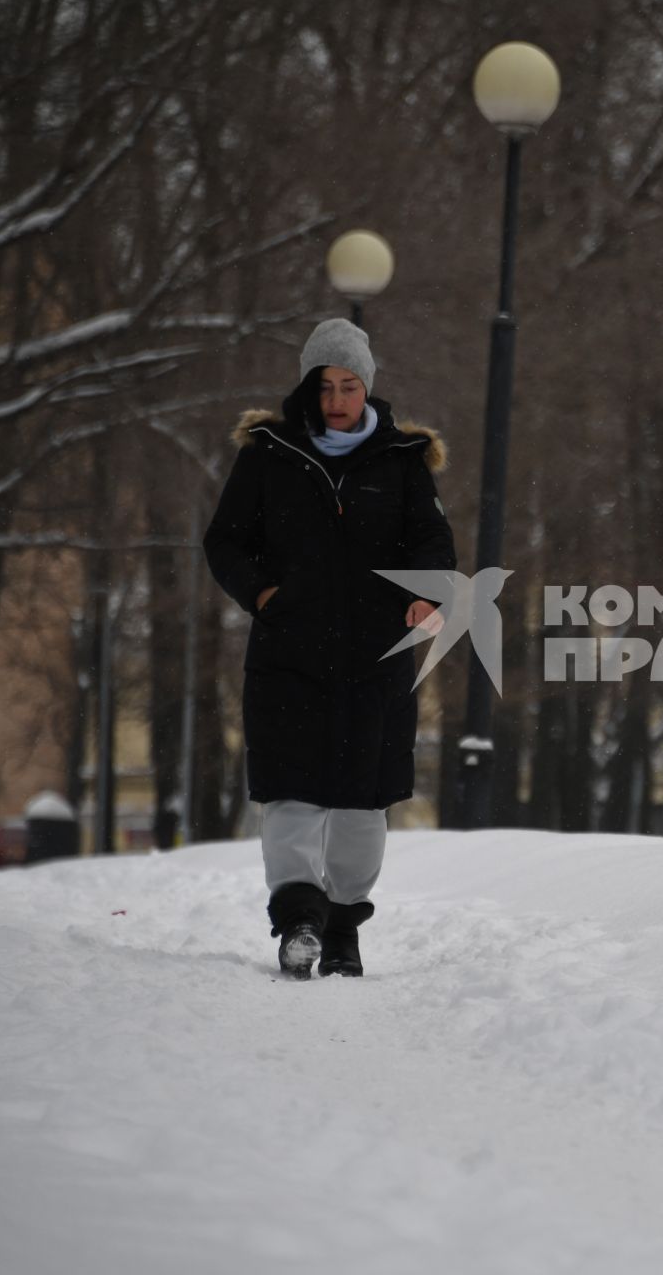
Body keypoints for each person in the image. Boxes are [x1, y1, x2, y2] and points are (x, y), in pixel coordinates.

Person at [202, 317, 456, 978]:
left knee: (359, 801)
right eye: (325, 386)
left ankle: (343, 926)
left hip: (376, 660)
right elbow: (224, 541)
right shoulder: (267, 455)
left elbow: (433, 545)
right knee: (291, 793)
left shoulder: (402, 461)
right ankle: (297, 923)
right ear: (308, 389)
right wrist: (263, 597)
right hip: (289, 655)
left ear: (367, 388)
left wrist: (427, 596)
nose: (337, 400)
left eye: (348, 386)